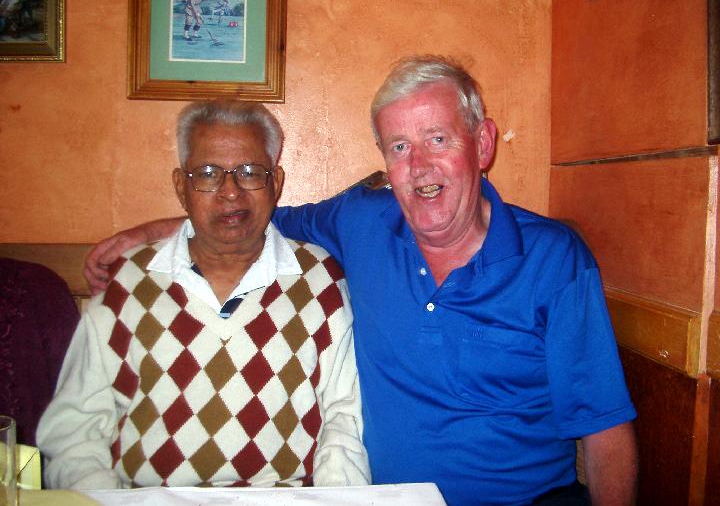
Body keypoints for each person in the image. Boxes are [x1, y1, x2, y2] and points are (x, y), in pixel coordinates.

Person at [83, 56, 638, 505]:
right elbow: (254, 214)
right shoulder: (362, 221)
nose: (418, 165)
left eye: (438, 139)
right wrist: (156, 231)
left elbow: (605, 430)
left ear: (483, 144)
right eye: (399, 147)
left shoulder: (553, 259)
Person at [37, 99, 370, 490]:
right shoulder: (127, 283)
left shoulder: (319, 280)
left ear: (276, 183)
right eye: (208, 174)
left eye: (250, 172)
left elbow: (344, 422)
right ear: (181, 187)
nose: (230, 192)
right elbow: (74, 433)